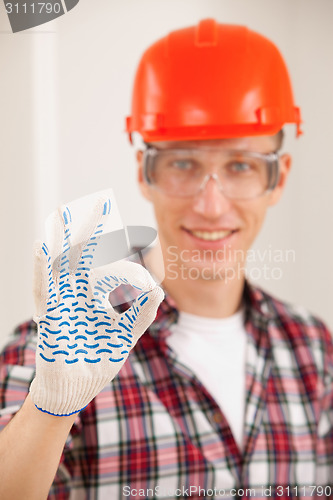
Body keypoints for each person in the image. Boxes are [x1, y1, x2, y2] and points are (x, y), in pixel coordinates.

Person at [0, 18, 332, 500]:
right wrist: (50, 408)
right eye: (183, 163)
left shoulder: (313, 351)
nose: (211, 205)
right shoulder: (56, 349)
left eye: (241, 166)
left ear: (278, 178)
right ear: (144, 171)